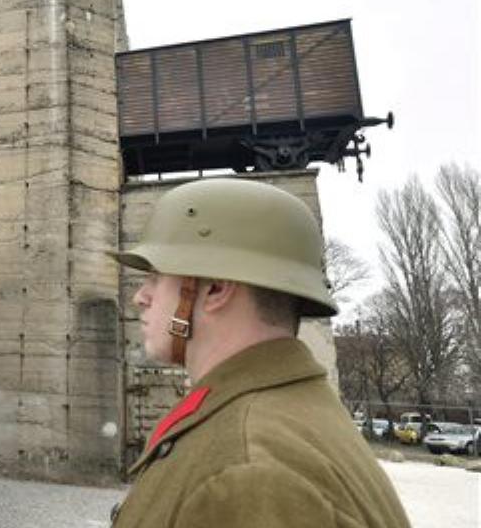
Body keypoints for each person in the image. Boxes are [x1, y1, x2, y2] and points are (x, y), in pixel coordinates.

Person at [107, 178, 409, 527]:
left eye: (156, 277)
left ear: (215, 289)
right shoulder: (281, 415)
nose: (140, 297)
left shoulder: (251, 473)